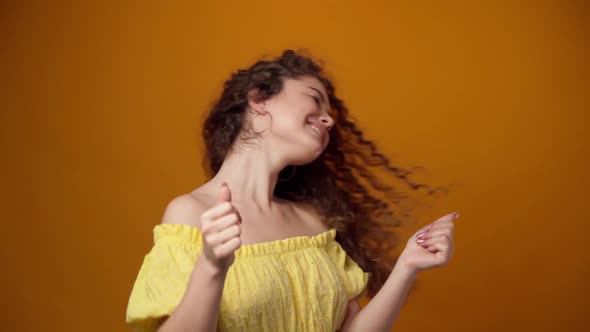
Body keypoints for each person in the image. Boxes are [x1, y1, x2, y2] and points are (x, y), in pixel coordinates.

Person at [125, 49, 458, 332]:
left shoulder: (314, 223)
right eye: (315, 100)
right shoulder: (191, 213)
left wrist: (406, 267)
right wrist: (211, 267)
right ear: (258, 99)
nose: (328, 120)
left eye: (329, 114)